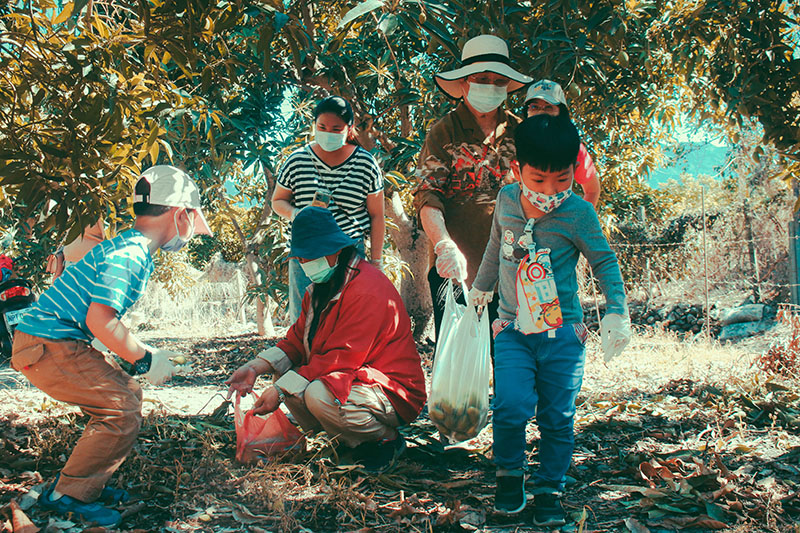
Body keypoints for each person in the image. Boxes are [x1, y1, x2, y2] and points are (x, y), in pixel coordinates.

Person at [11, 165, 212, 528]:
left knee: (125, 395)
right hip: (48, 344)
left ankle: (84, 481)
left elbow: (100, 320)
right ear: (180, 213)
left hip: (50, 340)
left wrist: (137, 360)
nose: (188, 235)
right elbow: (99, 321)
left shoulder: (125, 246)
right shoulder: (132, 254)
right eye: (190, 223)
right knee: (120, 407)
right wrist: (147, 358)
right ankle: (67, 495)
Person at [468, 115, 631, 525]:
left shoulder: (578, 214)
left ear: (574, 174)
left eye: (561, 180)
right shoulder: (506, 201)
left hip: (563, 335)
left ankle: (549, 488)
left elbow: (604, 260)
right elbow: (493, 247)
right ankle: (509, 477)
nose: (549, 192)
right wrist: (480, 287)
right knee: (510, 405)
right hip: (512, 329)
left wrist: (617, 309)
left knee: (557, 415)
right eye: (538, 180)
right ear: (517, 170)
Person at [226, 206, 425, 472]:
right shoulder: (322, 288)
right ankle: (348, 441)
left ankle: (384, 440)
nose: (306, 264)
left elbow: (342, 357)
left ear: (336, 250)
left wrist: (280, 390)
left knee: (316, 393)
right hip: (354, 379)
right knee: (289, 378)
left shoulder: (368, 289)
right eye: (303, 258)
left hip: (391, 388)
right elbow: (296, 342)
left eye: (311, 256)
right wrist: (254, 368)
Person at [413, 34, 532, 341]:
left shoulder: (522, 132)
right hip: (455, 270)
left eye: (498, 81)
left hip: (511, 268)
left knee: (510, 358)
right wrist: (443, 245)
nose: (490, 86)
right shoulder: (443, 132)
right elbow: (428, 195)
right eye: (482, 79)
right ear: (464, 83)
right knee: (458, 364)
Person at [271, 96, 385, 324]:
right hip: (307, 252)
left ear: (349, 130)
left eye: (336, 128)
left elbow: (376, 215)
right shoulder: (297, 160)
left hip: (349, 251)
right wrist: (297, 214)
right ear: (314, 125)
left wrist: (376, 260)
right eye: (322, 127)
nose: (328, 132)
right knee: (304, 321)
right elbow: (278, 201)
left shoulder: (365, 163)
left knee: (349, 320)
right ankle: (304, 360)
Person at [524, 79, 601, 207]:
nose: (541, 112)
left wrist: (578, 221)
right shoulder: (512, 143)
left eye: (549, 107)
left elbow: (592, 190)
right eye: (534, 107)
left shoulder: (573, 148)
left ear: (561, 113)